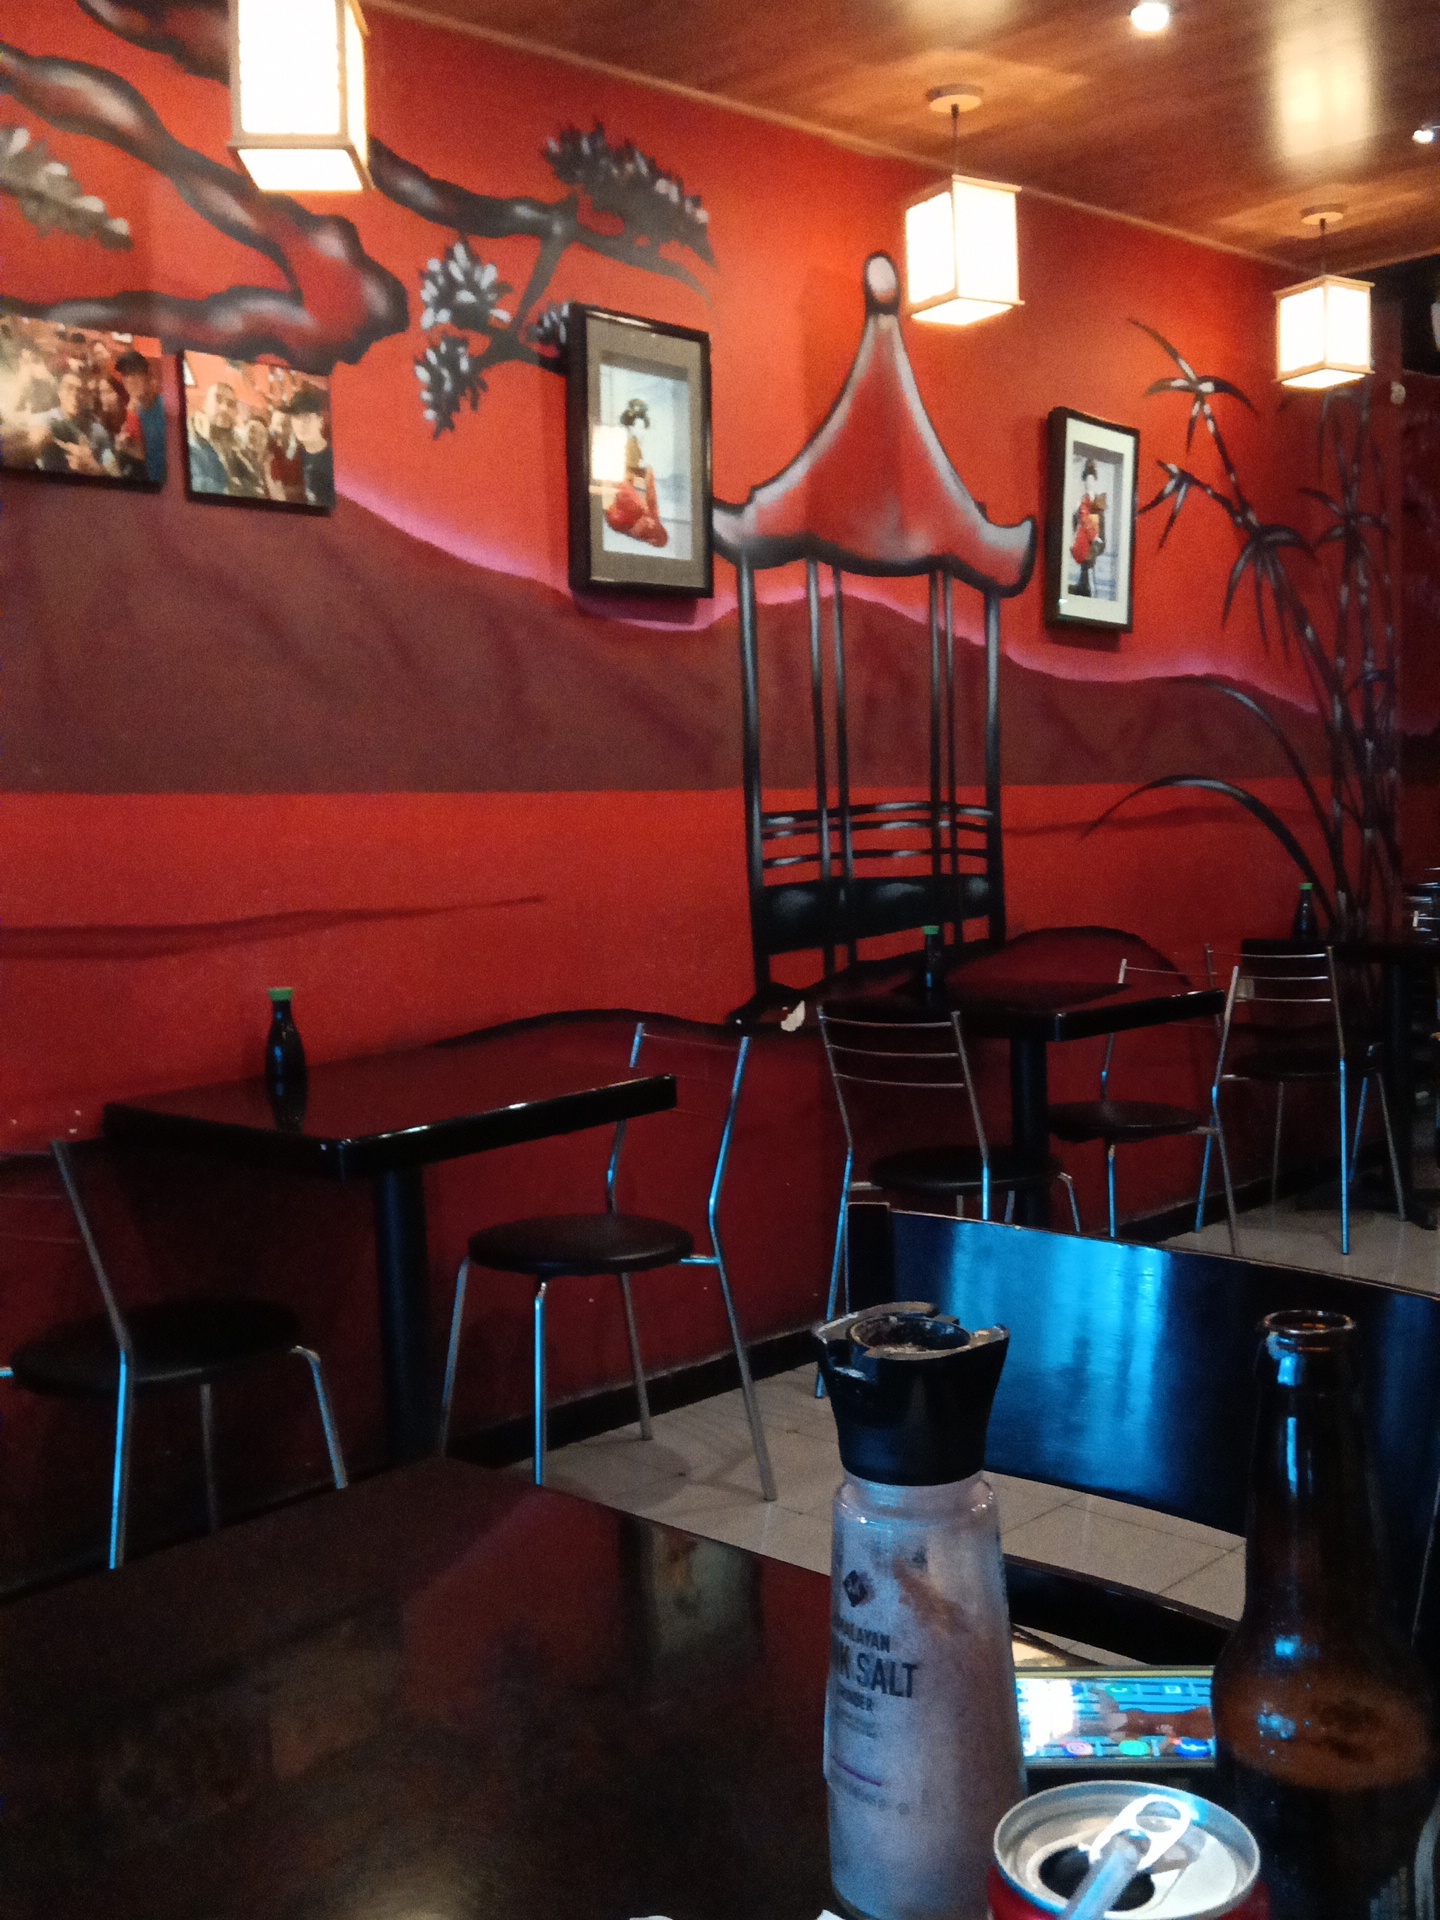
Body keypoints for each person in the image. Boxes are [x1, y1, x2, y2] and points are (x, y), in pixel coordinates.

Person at [602, 396, 668, 548]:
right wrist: (644, 519)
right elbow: (615, 510)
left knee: (662, 536)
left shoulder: (646, 470)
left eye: (642, 434)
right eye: (633, 434)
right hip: (620, 515)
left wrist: (652, 521)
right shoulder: (615, 459)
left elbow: (652, 502)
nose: (640, 451)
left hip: (638, 515)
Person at [33, 367, 119, 476]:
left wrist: (91, 466)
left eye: (81, 391)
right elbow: (25, 445)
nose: (75, 395)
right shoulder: (43, 420)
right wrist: (38, 440)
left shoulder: (97, 431)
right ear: (59, 392)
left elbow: (114, 473)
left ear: (87, 396)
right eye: (69, 388)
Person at [113, 349, 167, 483]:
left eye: (134, 372)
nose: (129, 379)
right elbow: (141, 453)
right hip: (154, 482)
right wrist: (123, 446)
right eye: (125, 374)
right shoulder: (132, 412)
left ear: (147, 376)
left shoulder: (165, 406)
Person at [188, 379, 247, 494]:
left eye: (230, 404)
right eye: (218, 400)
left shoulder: (240, 449)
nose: (224, 408)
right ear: (204, 405)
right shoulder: (190, 443)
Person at [286, 386, 335, 509]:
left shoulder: (335, 458)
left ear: (320, 421)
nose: (301, 424)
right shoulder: (296, 459)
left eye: (307, 417)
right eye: (296, 417)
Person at [1070, 459, 1107, 598]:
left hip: (1095, 542)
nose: (1089, 483)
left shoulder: (1099, 502)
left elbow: (1101, 523)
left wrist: (1099, 540)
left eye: (1091, 480)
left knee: (1092, 575)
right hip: (1083, 541)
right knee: (1084, 573)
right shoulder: (1080, 502)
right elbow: (1075, 523)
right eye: (1087, 480)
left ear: (1095, 481)